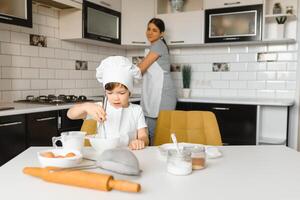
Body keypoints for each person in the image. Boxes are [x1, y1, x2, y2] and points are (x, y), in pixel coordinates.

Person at [67, 56, 149, 150]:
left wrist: (140, 141)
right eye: (110, 93)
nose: (115, 98)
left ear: (130, 92)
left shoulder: (136, 110)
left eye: (121, 93)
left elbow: (144, 136)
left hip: (129, 153)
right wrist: (85, 106)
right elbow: (70, 114)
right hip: (104, 153)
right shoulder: (100, 107)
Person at [138, 18, 177, 145]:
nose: (150, 32)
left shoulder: (158, 45)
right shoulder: (154, 47)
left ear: (161, 34)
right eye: (148, 29)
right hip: (156, 91)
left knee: (159, 132)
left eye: (154, 30)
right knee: (151, 130)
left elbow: (141, 69)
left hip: (163, 93)